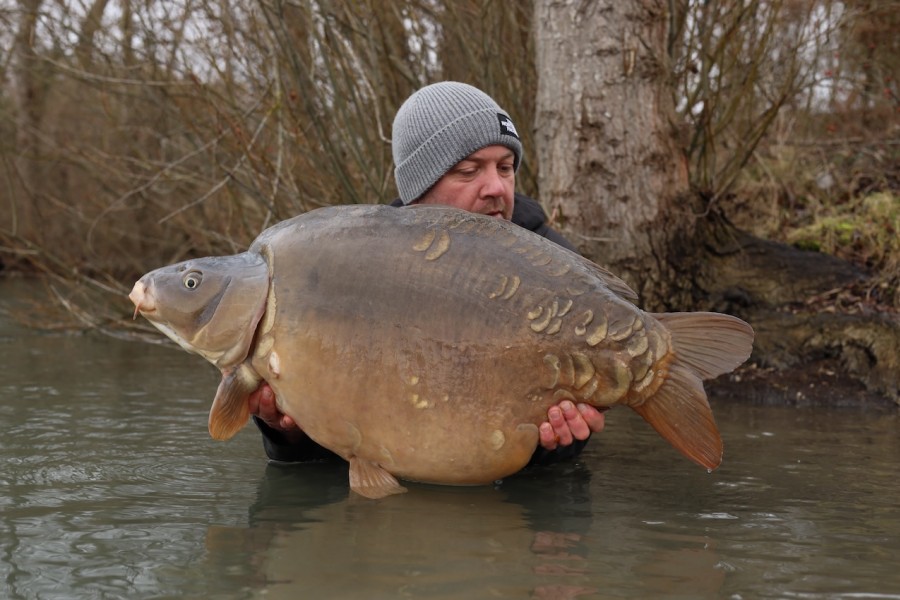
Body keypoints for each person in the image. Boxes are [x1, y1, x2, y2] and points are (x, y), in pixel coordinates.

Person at [250, 81, 605, 469]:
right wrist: (287, 431)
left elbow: (580, 419)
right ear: (418, 192)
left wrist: (558, 445)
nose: (496, 187)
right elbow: (325, 451)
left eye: (505, 167)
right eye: (468, 171)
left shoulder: (559, 271)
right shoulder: (359, 269)